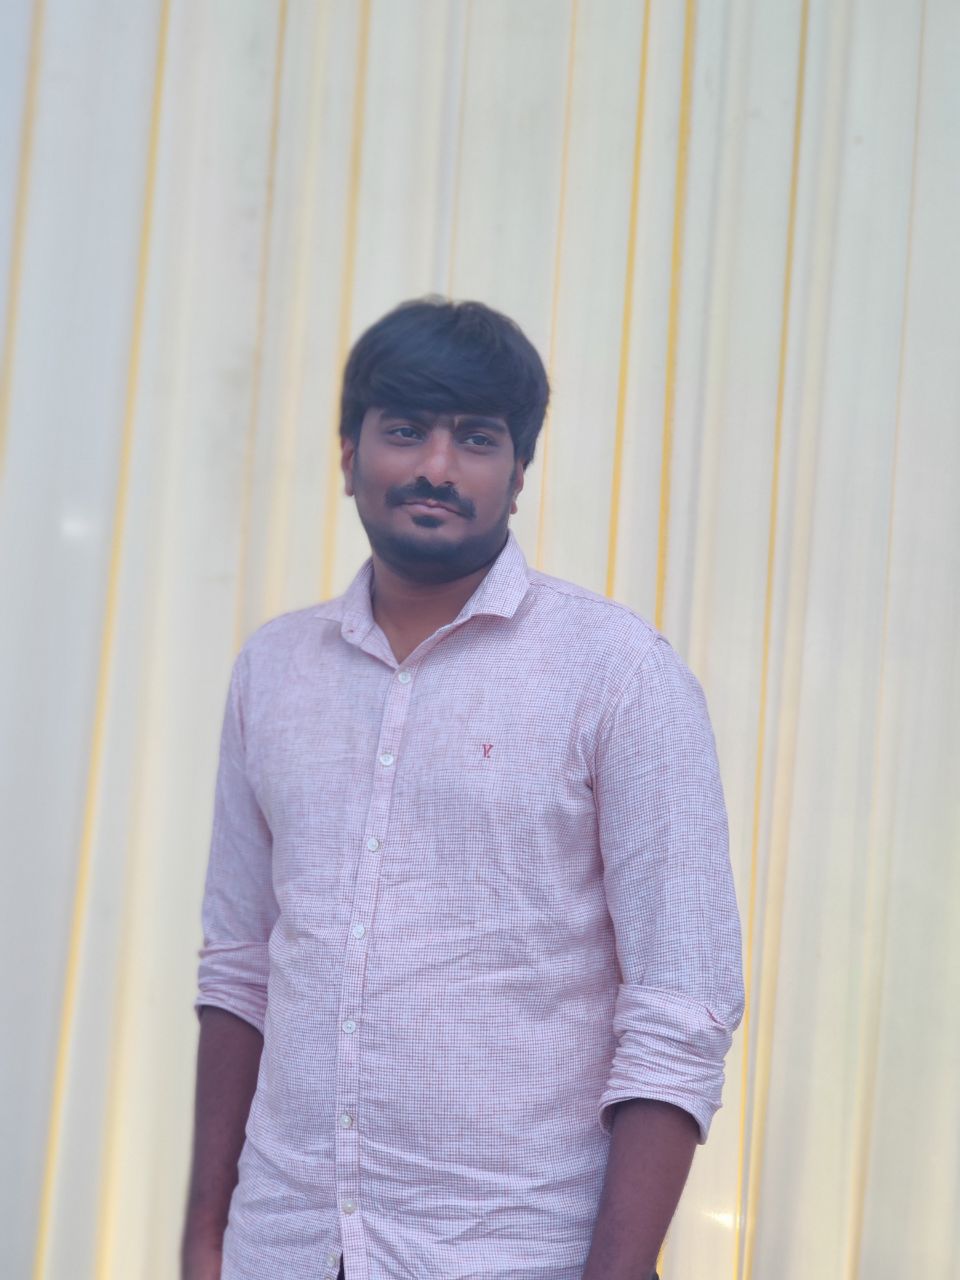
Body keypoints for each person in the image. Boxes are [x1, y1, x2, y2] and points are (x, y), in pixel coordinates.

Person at [181, 297, 744, 1280]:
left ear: (519, 473)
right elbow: (239, 970)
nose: (437, 466)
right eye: (405, 430)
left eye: (476, 438)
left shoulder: (619, 674)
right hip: (285, 1245)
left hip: (512, 1252)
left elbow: (680, 1008)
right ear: (348, 453)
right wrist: (205, 1240)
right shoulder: (273, 671)